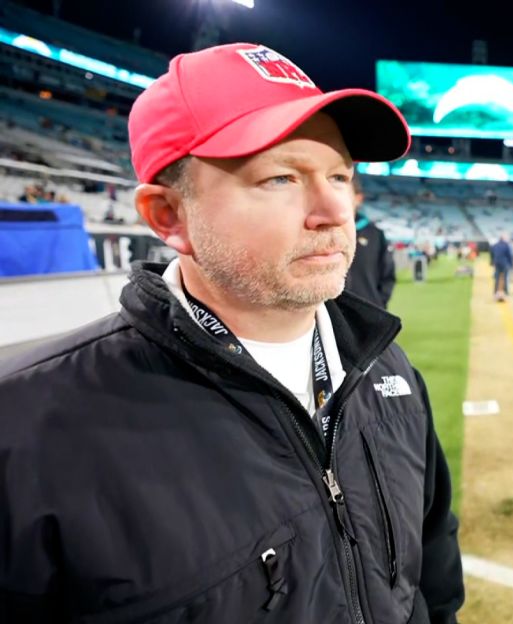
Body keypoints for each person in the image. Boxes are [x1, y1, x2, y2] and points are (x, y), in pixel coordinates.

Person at [0, 43, 463, 623]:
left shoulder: (385, 370)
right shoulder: (29, 429)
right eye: (280, 178)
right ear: (169, 216)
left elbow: (433, 578)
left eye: (340, 174)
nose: (332, 209)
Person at [345, 177, 396, 308]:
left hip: (367, 311)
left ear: (358, 199)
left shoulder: (375, 235)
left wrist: (378, 303)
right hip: (330, 316)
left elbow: (387, 275)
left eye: (345, 193)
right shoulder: (324, 231)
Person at [490, 233, 512, 301]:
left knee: (497, 278)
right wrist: (511, 264)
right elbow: (509, 255)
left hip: (497, 263)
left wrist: (492, 262)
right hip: (504, 264)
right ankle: (505, 292)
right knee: (505, 278)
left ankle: (495, 291)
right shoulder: (506, 245)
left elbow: (492, 254)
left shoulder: (495, 245)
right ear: (503, 239)